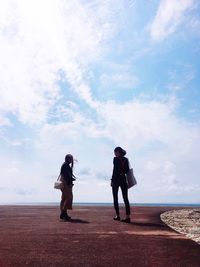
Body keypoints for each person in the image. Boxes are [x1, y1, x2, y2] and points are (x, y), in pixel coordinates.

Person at [111, 146, 131, 223]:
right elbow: (127, 170)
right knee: (125, 198)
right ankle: (128, 217)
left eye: (115, 152)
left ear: (118, 152)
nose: (114, 153)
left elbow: (114, 170)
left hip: (116, 180)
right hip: (123, 179)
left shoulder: (115, 159)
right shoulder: (126, 159)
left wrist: (112, 180)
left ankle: (118, 216)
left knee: (115, 198)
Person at [59, 154, 76, 221]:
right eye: (71, 159)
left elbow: (66, 175)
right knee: (69, 198)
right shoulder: (66, 165)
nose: (72, 160)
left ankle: (64, 214)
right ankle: (63, 213)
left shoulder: (65, 165)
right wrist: (70, 182)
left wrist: (71, 179)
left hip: (64, 184)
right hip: (66, 184)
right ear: (68, 159)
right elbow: (66, 176)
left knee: (64, 198)